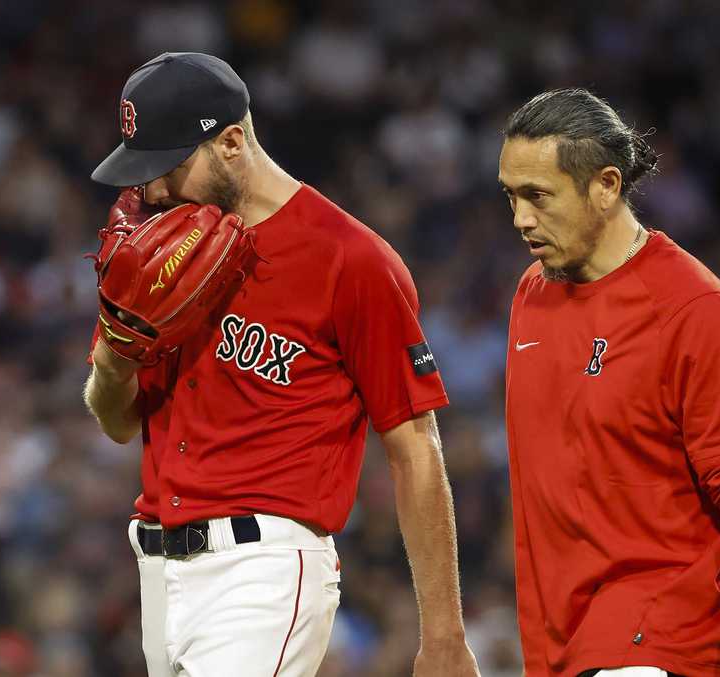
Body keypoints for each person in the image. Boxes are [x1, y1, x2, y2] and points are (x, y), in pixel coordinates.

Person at [82, 52, 480, 677]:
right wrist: (114, 348)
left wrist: (445, 635)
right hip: (157, 572)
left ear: (232, 142)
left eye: (168, 166)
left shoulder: (351, 260)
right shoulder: (160, 251)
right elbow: (116, 421)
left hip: (263, 570)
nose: (152, 189)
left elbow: (415, 448)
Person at [498, 88, 720, 677]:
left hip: (662, 643)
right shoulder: (533, 293)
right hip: (560, 641)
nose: (521, 219)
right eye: (510, 196)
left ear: (606, 186)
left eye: (539, 196)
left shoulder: (694, 307)